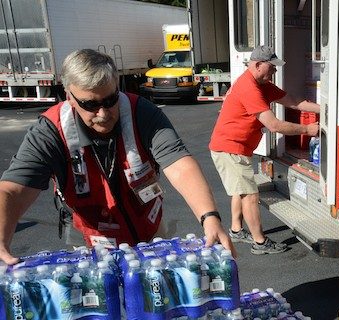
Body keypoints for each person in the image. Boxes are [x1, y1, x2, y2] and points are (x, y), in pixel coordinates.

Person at [0, 49, 234, 265]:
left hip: (150, 231)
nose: (103, 114)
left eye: (110, 100)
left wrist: (210, 217)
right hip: (91, 241)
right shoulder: (49, 131)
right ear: (68, 95)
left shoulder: (141, 112)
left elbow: (179, 163)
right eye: (90, 104)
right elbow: (12, 188)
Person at [209, 45, 319, 255]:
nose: (275, 72)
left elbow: (294, 102)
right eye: (272, 67)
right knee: (250, 195)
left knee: (240, 189)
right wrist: (308, 129)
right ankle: (260, 243)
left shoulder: (261, 84)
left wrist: (325, 108)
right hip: (230, 148)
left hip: (235, 148)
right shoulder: (249, 87)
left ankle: (236, 229)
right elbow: (274, 125)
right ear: (258, 65)